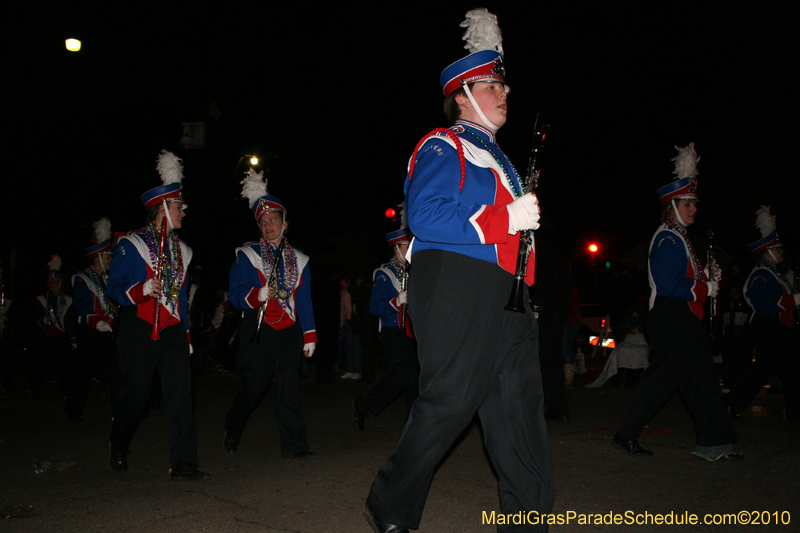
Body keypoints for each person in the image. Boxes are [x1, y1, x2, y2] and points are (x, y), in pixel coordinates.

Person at [364, 9, 554, 532]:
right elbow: (425, 215)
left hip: (506, 296)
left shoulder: (500, 160)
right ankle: (391, 503)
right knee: (449, 402)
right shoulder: (443, 145)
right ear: (464, 93)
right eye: (493, 85)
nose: (504, 93)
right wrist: (506, 217)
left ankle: (528, 516)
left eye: (505, 85)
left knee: (519, 413)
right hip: (456, 284)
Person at [613, 143, 741, 461]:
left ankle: (715, 443)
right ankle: (626, 434)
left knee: (703, 382)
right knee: (662, 382)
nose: (694, 209)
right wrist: (704, 288)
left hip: (683, 319)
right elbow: (671, 284)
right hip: (672, 317)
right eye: (687, 204)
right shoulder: (668, 237)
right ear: (673, 204)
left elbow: (688, 280)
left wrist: (709, 279)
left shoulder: (680, 238)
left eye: (695, 204)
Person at [107, 150, 208, 480]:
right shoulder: (132, 244)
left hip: (174, 331)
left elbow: (181, 300)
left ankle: (184, 464)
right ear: (163, 209)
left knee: (181, 399)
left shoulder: (184, 251)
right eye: (180, 207)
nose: (184, 213)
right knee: (135, 398)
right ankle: (119, 444)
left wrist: (188, 336)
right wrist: (141, 289)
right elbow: (115, 287)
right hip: (139, 329)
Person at [223, 168, 317, 458]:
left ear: (285, 224)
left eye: (273, 221)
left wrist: (309, 335)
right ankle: (233, 426)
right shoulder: (247, 254)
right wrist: (256, 294)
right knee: (254, 387)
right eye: (263, 222)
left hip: (288, 330)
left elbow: (305, 299)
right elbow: (236, 294)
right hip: (259, 328)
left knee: (288, 389)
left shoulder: (300, 259)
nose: (268, 226)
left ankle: (295, 446)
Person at [726, 206, 799, 420]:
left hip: (777, 327)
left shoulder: (773, 273)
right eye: (777, 249)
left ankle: (795, 412)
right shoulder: (762, 275)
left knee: (790, 370)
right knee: (765, 371)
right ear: (768, 251)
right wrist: (795, 300)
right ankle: (732, 403)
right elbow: (765, 303)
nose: (781, 252)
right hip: (768, 326)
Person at [353, 226, 419, 430]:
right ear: (396, 248)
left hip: (415, 330)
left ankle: (415, 423)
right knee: (400, 377)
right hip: (394, 330)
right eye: (406, 246)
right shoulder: (385, 273)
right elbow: (375, 308)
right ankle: (364, 404)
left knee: (416, 378)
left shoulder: (416, 270)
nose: (409, 249)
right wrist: (397, 301)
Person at [67, 217, 120, 421]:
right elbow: (82, 307)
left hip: (109, 331)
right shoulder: (82, 278)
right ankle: (73, 410)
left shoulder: (110, 279)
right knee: (84, 373)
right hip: (91, 331)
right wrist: (98, 323)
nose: (110, 261)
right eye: (108, 257)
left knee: (116, 372)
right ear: (98, 256)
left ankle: (118, 411)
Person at [29, 255, 76, 400]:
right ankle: (34, 391)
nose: (51, 284)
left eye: (54, 282)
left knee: (63, 367)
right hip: (46, 336)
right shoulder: (42, 299)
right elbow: (34, 319)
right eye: (49, 281)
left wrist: (73, 340)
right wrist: (43, 321)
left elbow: (70, 321)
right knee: (40, 365)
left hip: (61, 336)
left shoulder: (68, 300)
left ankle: (67, 392)